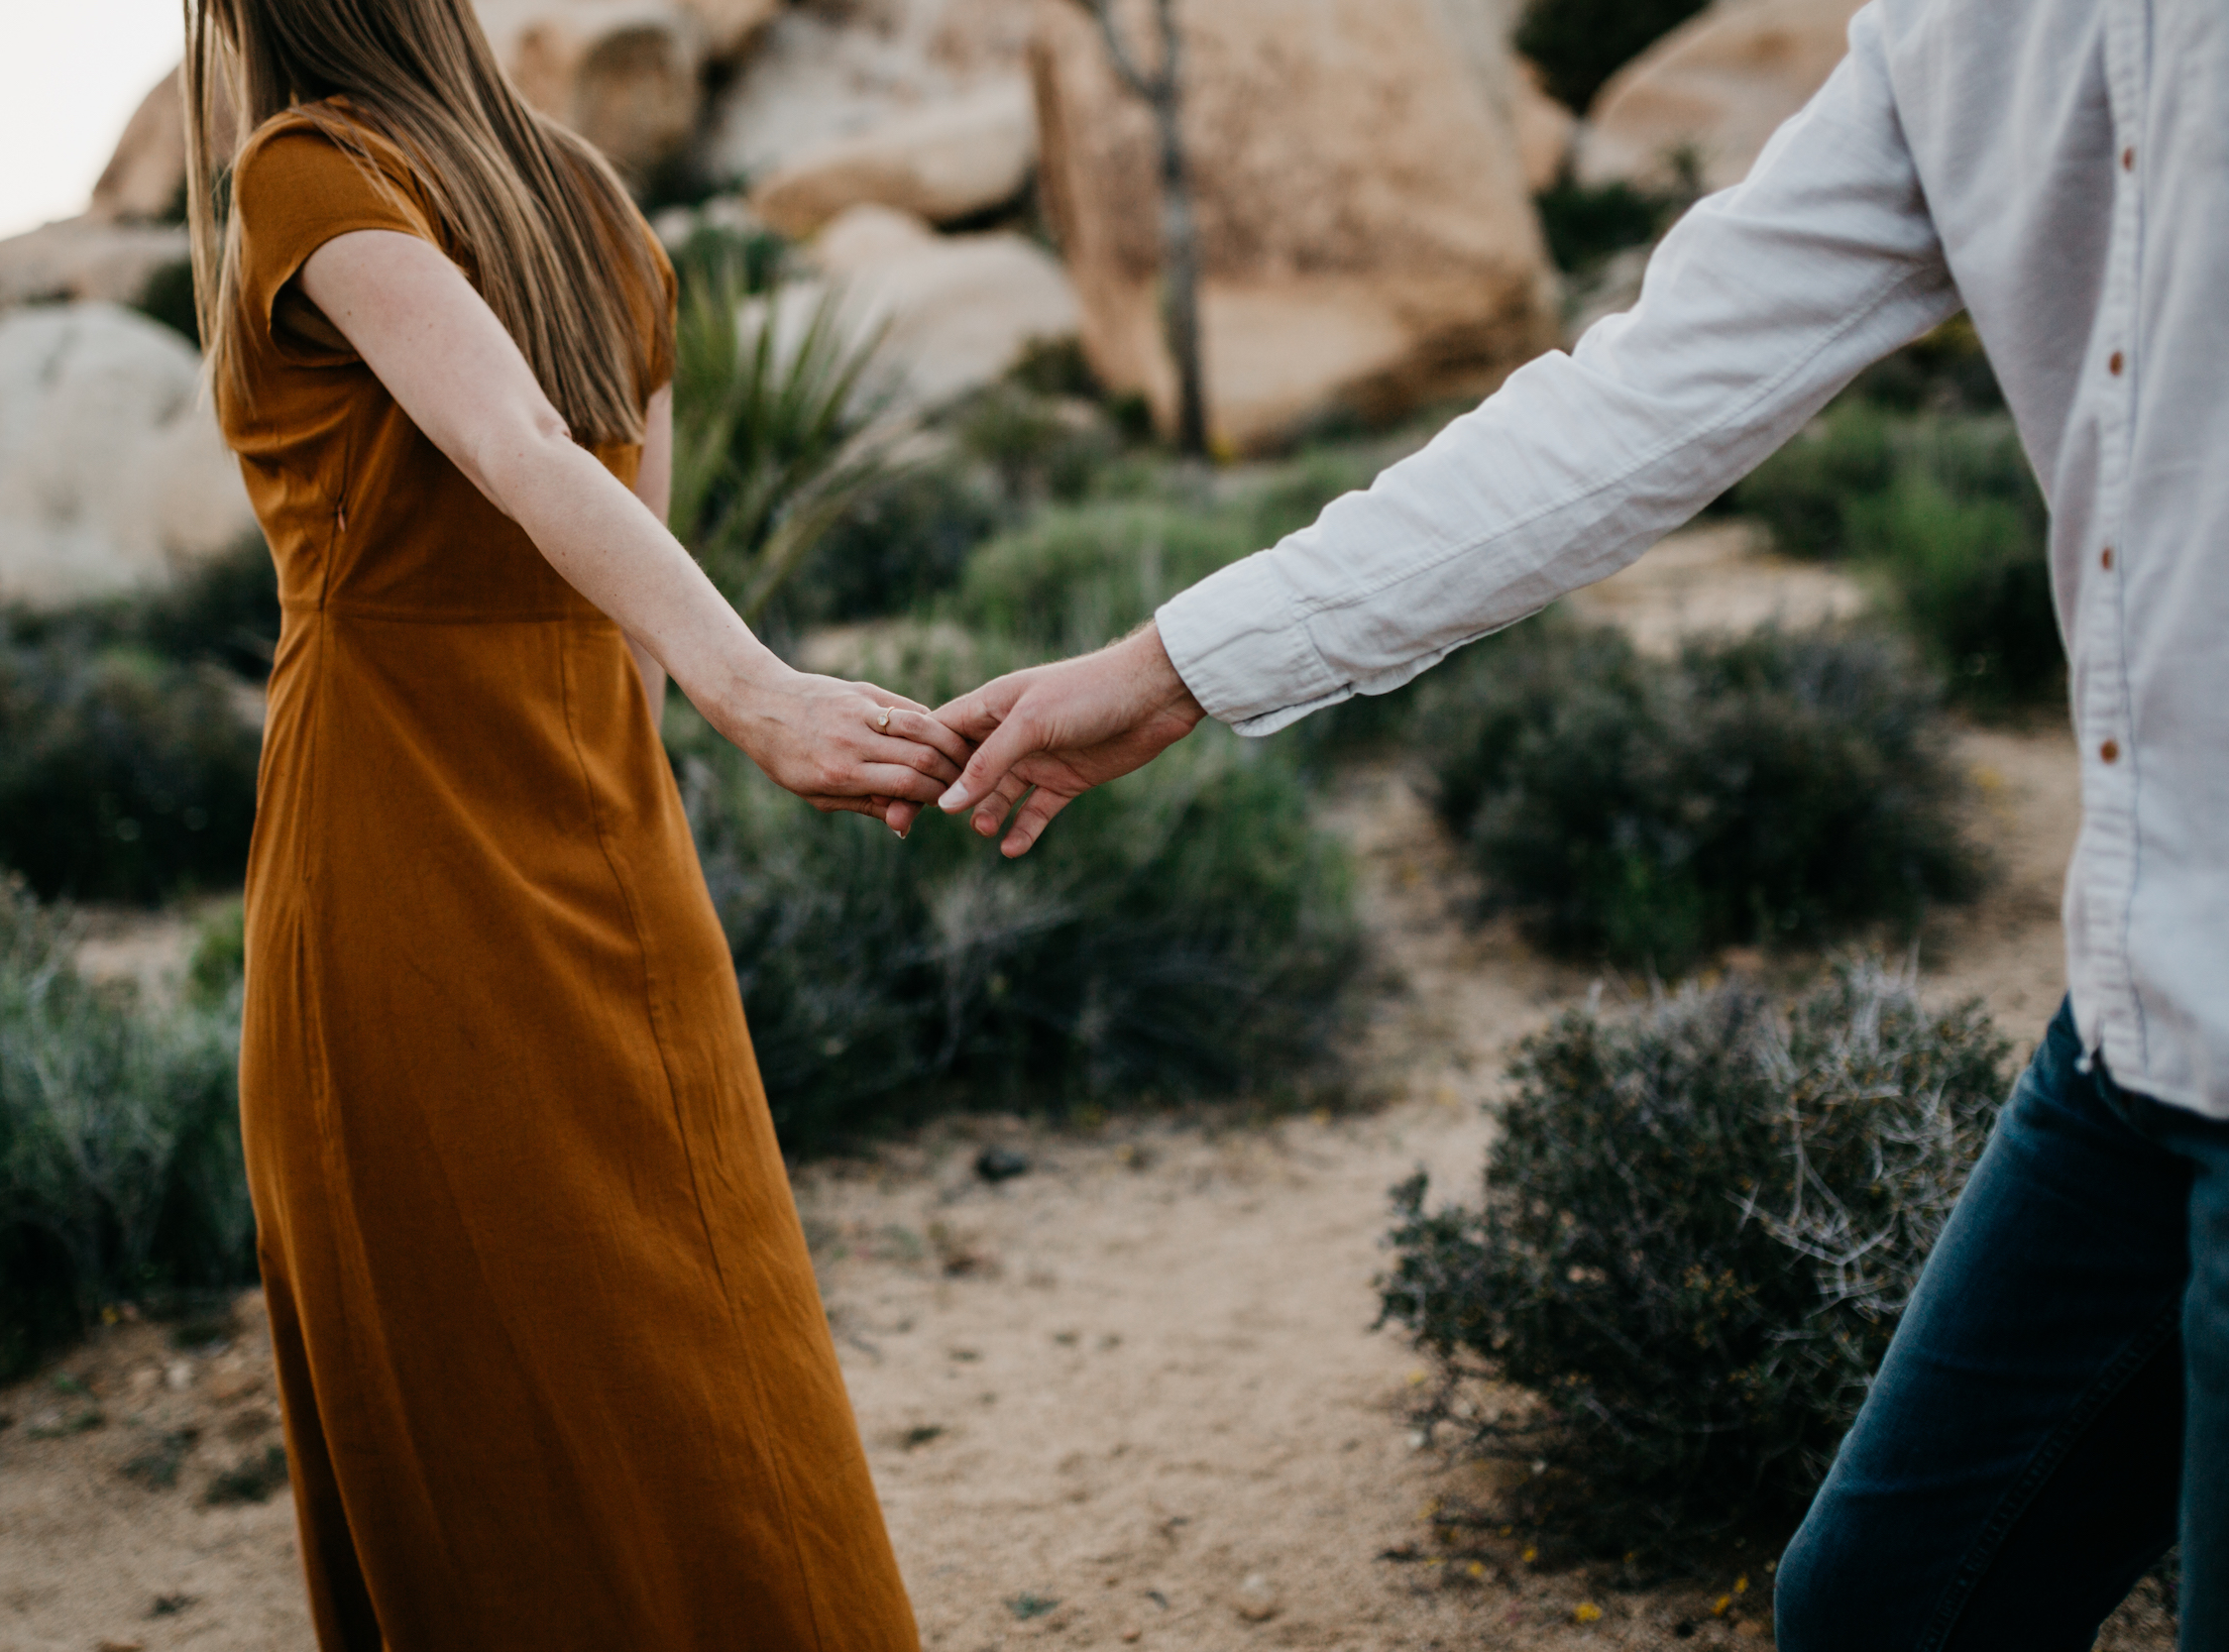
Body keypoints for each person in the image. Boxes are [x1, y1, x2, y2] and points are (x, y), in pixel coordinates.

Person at [933, 0, 2228, 1644]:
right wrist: (1178, 662)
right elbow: (1648, 395)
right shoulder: (1961, 33)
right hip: (2140, 1028)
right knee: (1889, 1608)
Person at [178, 1, 956, 1644]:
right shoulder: (593, 200)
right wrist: (665, 762)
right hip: (605, 821)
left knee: (460, 1358)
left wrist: (762, 692)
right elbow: (607, 541)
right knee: (692, 1329)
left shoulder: (305, 168)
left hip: (392, 830)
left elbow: (518, 447)